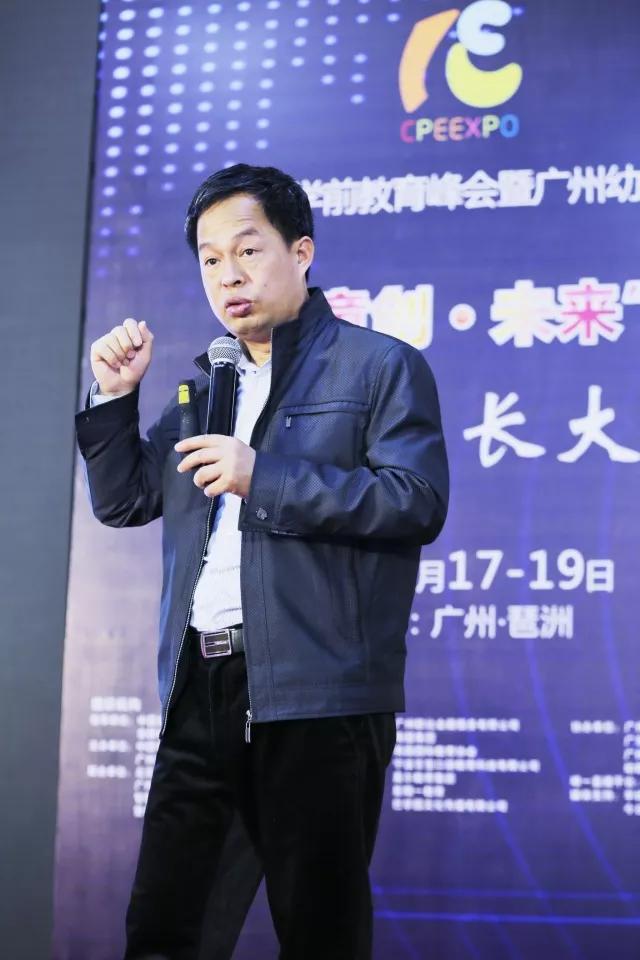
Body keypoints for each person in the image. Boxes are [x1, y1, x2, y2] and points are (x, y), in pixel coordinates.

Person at [76, 163, 449, 960]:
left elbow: (415, 500)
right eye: (210, 259)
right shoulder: (206, 389)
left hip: (317, 698)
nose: (228, 275)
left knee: (320, 935)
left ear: (301, 251)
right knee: (164, 933)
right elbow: (126, 501)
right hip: (200, 690)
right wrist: (113, 398)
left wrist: (263, 477)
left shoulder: (378, 367)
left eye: (247, 250)